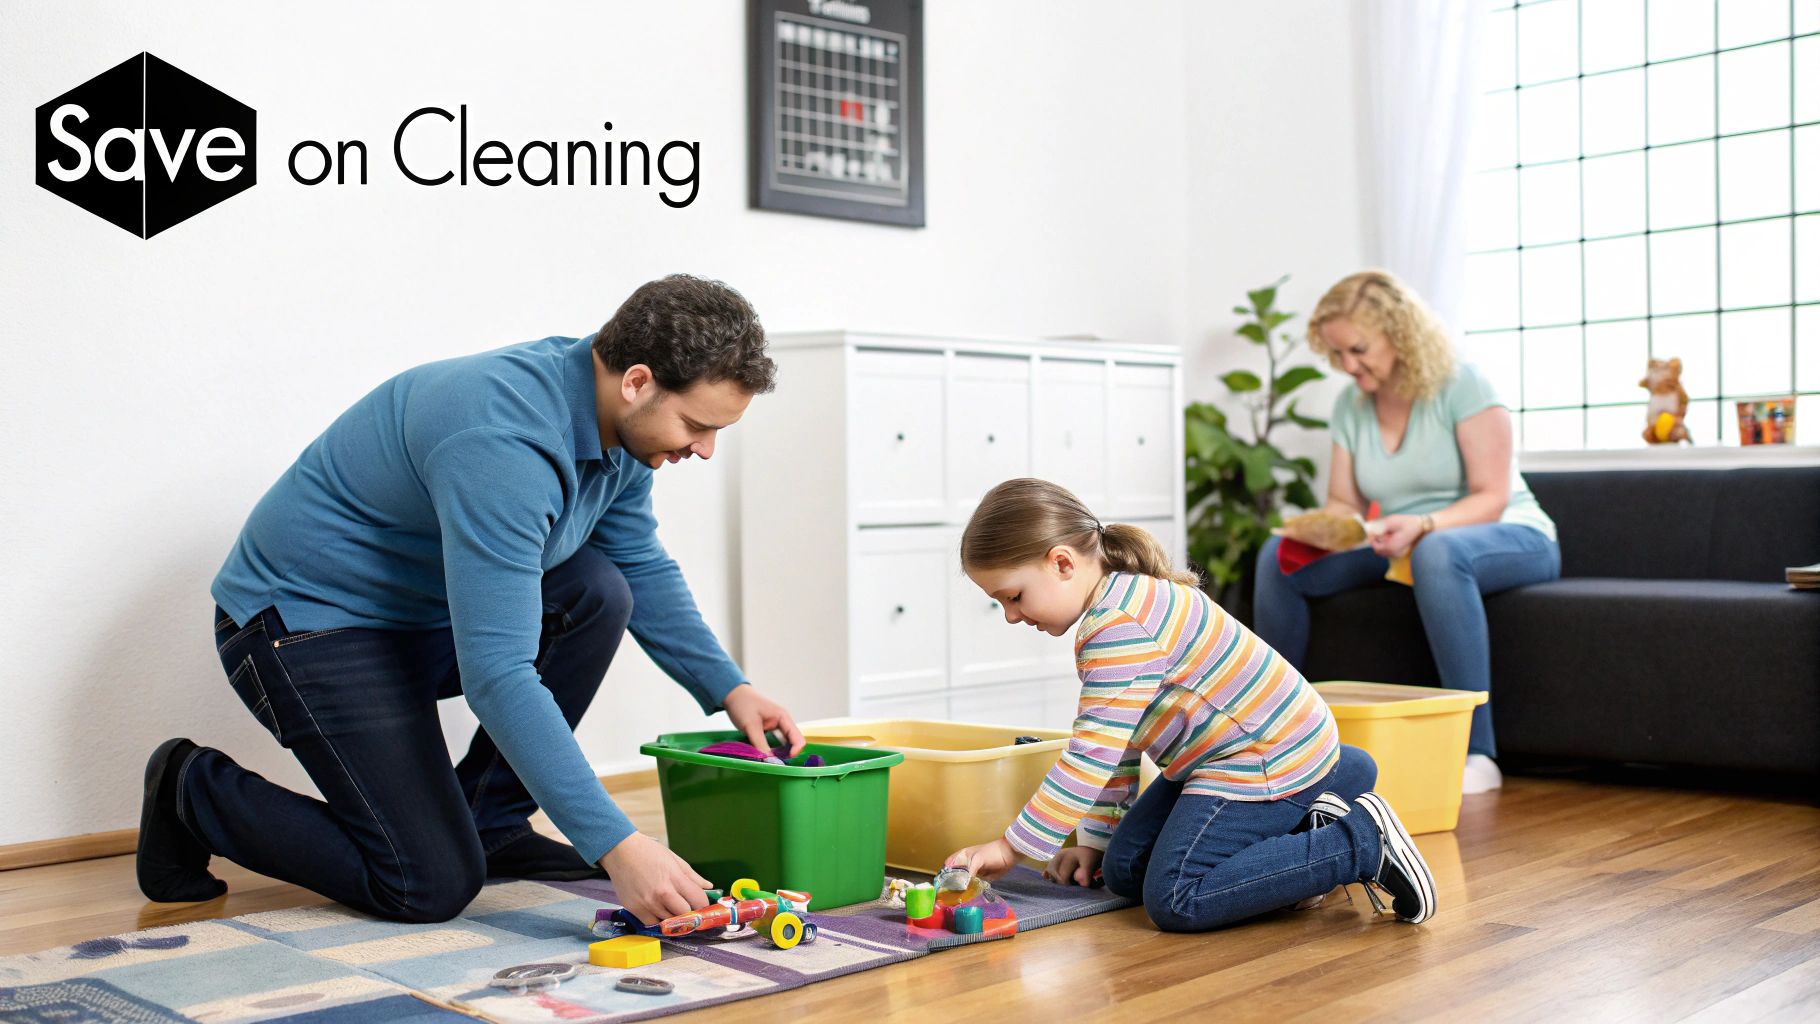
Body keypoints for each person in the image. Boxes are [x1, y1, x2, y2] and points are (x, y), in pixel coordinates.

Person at [136, 274, 804, 926]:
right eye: (696, 424)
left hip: (416, 619)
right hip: (302, 628)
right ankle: (191, 789)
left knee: (597, 588)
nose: (706, 449)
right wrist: (618, 844)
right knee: (426, 883)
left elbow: (636, 560)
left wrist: (727, 687)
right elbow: (497, 673)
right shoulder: (503, 442)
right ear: (637, 381)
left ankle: (490, 822)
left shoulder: (625, 431)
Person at [943, 478, 1436, 931]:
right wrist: (1094, 839)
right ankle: (1330, 784)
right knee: (1123, 868)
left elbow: (1089, 756)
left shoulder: (1117, 626)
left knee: (1175, 897)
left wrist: (1013, 847)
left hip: (1260, 758)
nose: (1010, 616)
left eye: (1014, 597)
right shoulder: (1119, 598)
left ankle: (1361, 843)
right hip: (1251, 752)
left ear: (1063, 563)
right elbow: (1119, 742)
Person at [1252, 269, 1560, 795]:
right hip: (1398, 536)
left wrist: (1423, 524)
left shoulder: (1463, 384)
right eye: (1338, 355)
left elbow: (1493, 495)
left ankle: (1478, 754)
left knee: (1437, 553)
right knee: (1279, 554)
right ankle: (1266, 733)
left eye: (1359, 349)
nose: (1349, 365)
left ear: (1400, 332)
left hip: (1502, 533)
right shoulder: (1352, 405)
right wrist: (1327, 528)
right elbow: (1345, 501)